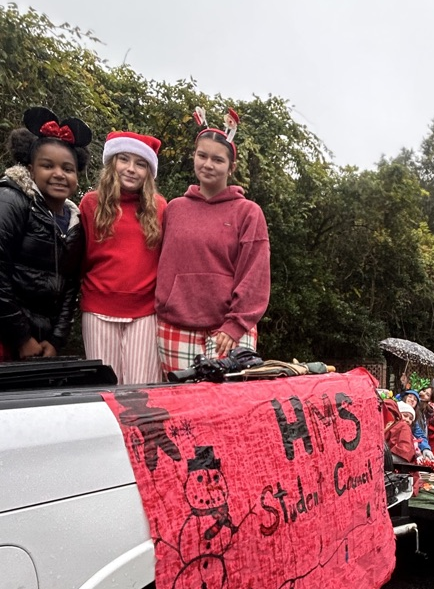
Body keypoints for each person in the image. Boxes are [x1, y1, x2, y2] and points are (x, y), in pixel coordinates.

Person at [155, 114, 270, 374]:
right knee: (179, 406)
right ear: (194, 157)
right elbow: (162, 263)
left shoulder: (248, 212)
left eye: (218, 159)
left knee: (228, 408)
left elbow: (255, 274)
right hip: (174, 327)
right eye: (202, 156)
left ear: (231, 166)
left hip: (228, 331)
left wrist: (236, 324)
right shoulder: (174, 209)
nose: (208, 164)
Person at [0, 108, 92, 361]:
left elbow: (70, 285)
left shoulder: (75, 222)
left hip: (43, 342)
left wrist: (56, 340)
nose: (59, 174)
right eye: (47, 166)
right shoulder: (11, 202)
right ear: (30, 169)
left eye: (68, 169)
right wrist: (21, 338)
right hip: (7, 338)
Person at [79, 132, 166, 383]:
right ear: (112, 162)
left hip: (145, 312)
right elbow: (80, 259)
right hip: (97, 309)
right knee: (105, 389)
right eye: (124, 159)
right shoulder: (90, 204)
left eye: (140, 164)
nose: (131, 169)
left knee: (143, 390)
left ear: (149, 172)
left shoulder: (160, 207)